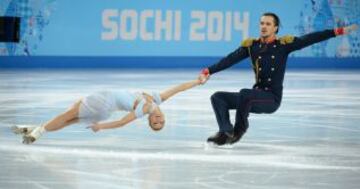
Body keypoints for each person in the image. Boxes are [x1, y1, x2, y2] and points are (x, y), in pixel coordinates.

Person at [199, 12, 358, 146]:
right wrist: (209, 70)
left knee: (245, 94)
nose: (263, 26)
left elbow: (310, 38)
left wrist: (336, 32)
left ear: (275, 28)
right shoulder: (251, 46)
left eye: (268, 24)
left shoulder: (284, 45)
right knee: (218, 98)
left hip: (271, 99)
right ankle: (225, 131)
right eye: (262, 23)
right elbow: (230, 59)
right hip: (254, 96)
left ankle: (237, 132)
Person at [12, 78, 202, 144]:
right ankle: (34, 128)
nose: (158, 120)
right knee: (70, 120)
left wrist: (100, 127)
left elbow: (121, 123)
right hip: (106, 109)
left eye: (155, 123)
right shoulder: (158, 99)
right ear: (164, 117)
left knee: (67, 115)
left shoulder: (144, 109)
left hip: (104, 100)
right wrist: (199, 81)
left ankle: (38, 131)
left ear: (149, 120)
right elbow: (181, 88)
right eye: (161, 122)